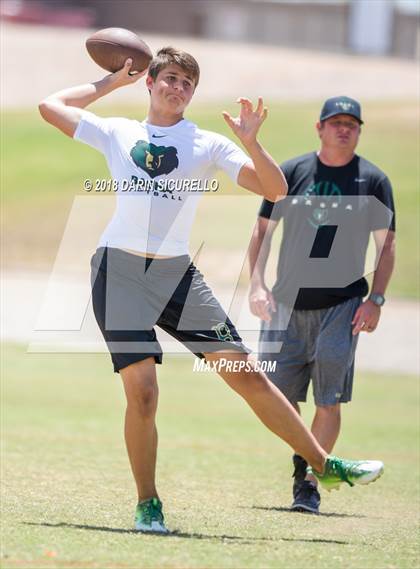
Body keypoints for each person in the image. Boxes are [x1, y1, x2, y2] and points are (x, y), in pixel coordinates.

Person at [39, 52, 384, 533]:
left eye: (187, 83)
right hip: (118, 271)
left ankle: (323, 464)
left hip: (177, 277)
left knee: (247, 375)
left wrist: (252, 142)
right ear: (152, 83)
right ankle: (148, 504)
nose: (178, 88)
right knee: (143, 394)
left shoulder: (206, 142)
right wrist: (112, 81)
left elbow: (275, 189)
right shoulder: (118, 131)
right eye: (170, 79)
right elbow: (49, 105)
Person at [249, 96, 395, 514]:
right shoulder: (291, 173)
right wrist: (257, 285)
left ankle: (309, 484)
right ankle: (307, 458)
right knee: (276, 396)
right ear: (319, 128)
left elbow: (386, 247)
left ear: (359, 130)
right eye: (336, 122)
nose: (343, 129)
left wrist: (376, 300)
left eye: (351, 123)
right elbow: (262, 233)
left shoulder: (373, 180)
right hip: (285, 306)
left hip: (342, 308)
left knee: (328, 400)